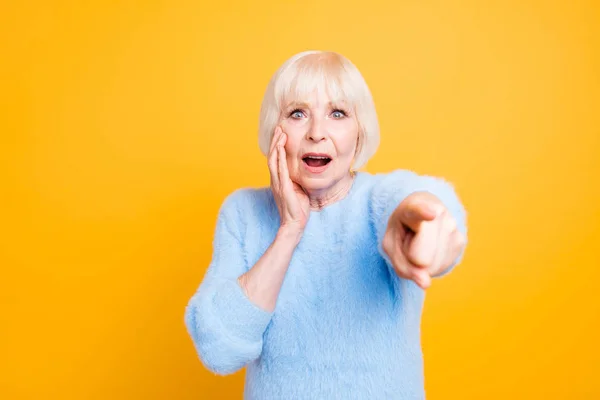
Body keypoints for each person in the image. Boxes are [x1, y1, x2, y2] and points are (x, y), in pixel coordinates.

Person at [184, 50, 467, 399]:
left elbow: (423, 203)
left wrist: (427, 226)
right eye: (297, 113)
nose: (317, 132)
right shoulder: (243, 213)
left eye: (338, 113)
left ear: (360, 133)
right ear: (276, 130)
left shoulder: (379, 198)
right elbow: (219, 350)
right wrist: (289, 230)